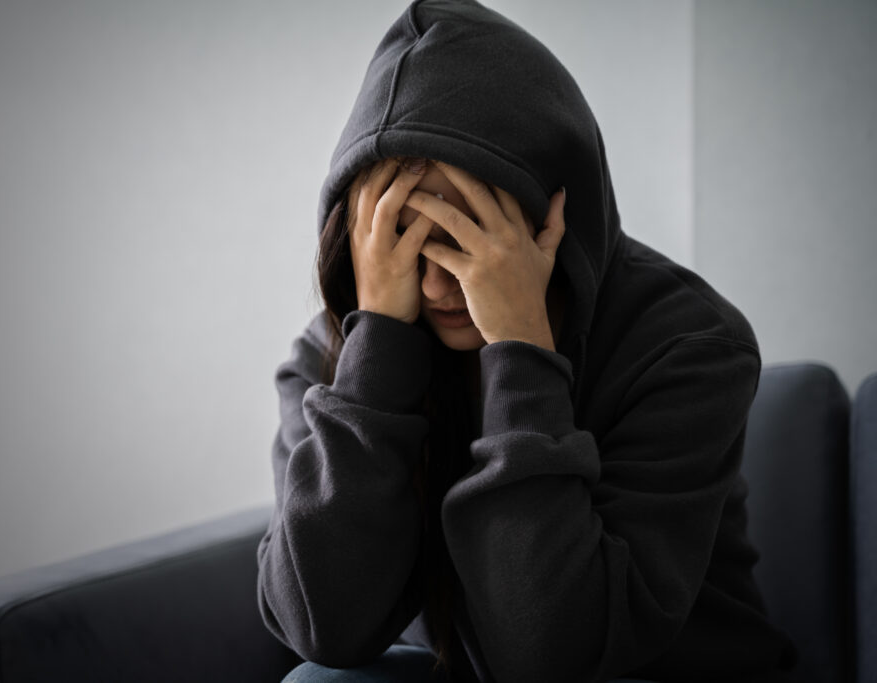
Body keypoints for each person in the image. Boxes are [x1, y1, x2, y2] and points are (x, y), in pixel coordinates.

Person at [257, 0, 799, 681]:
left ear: (553, 218)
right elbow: (323, 629)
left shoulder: (689, 343)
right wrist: (379, 358)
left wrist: (519, 352)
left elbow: (554, 655)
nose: (435, 287)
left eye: (467, 237)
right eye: (405, 238)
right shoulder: (330, 360)